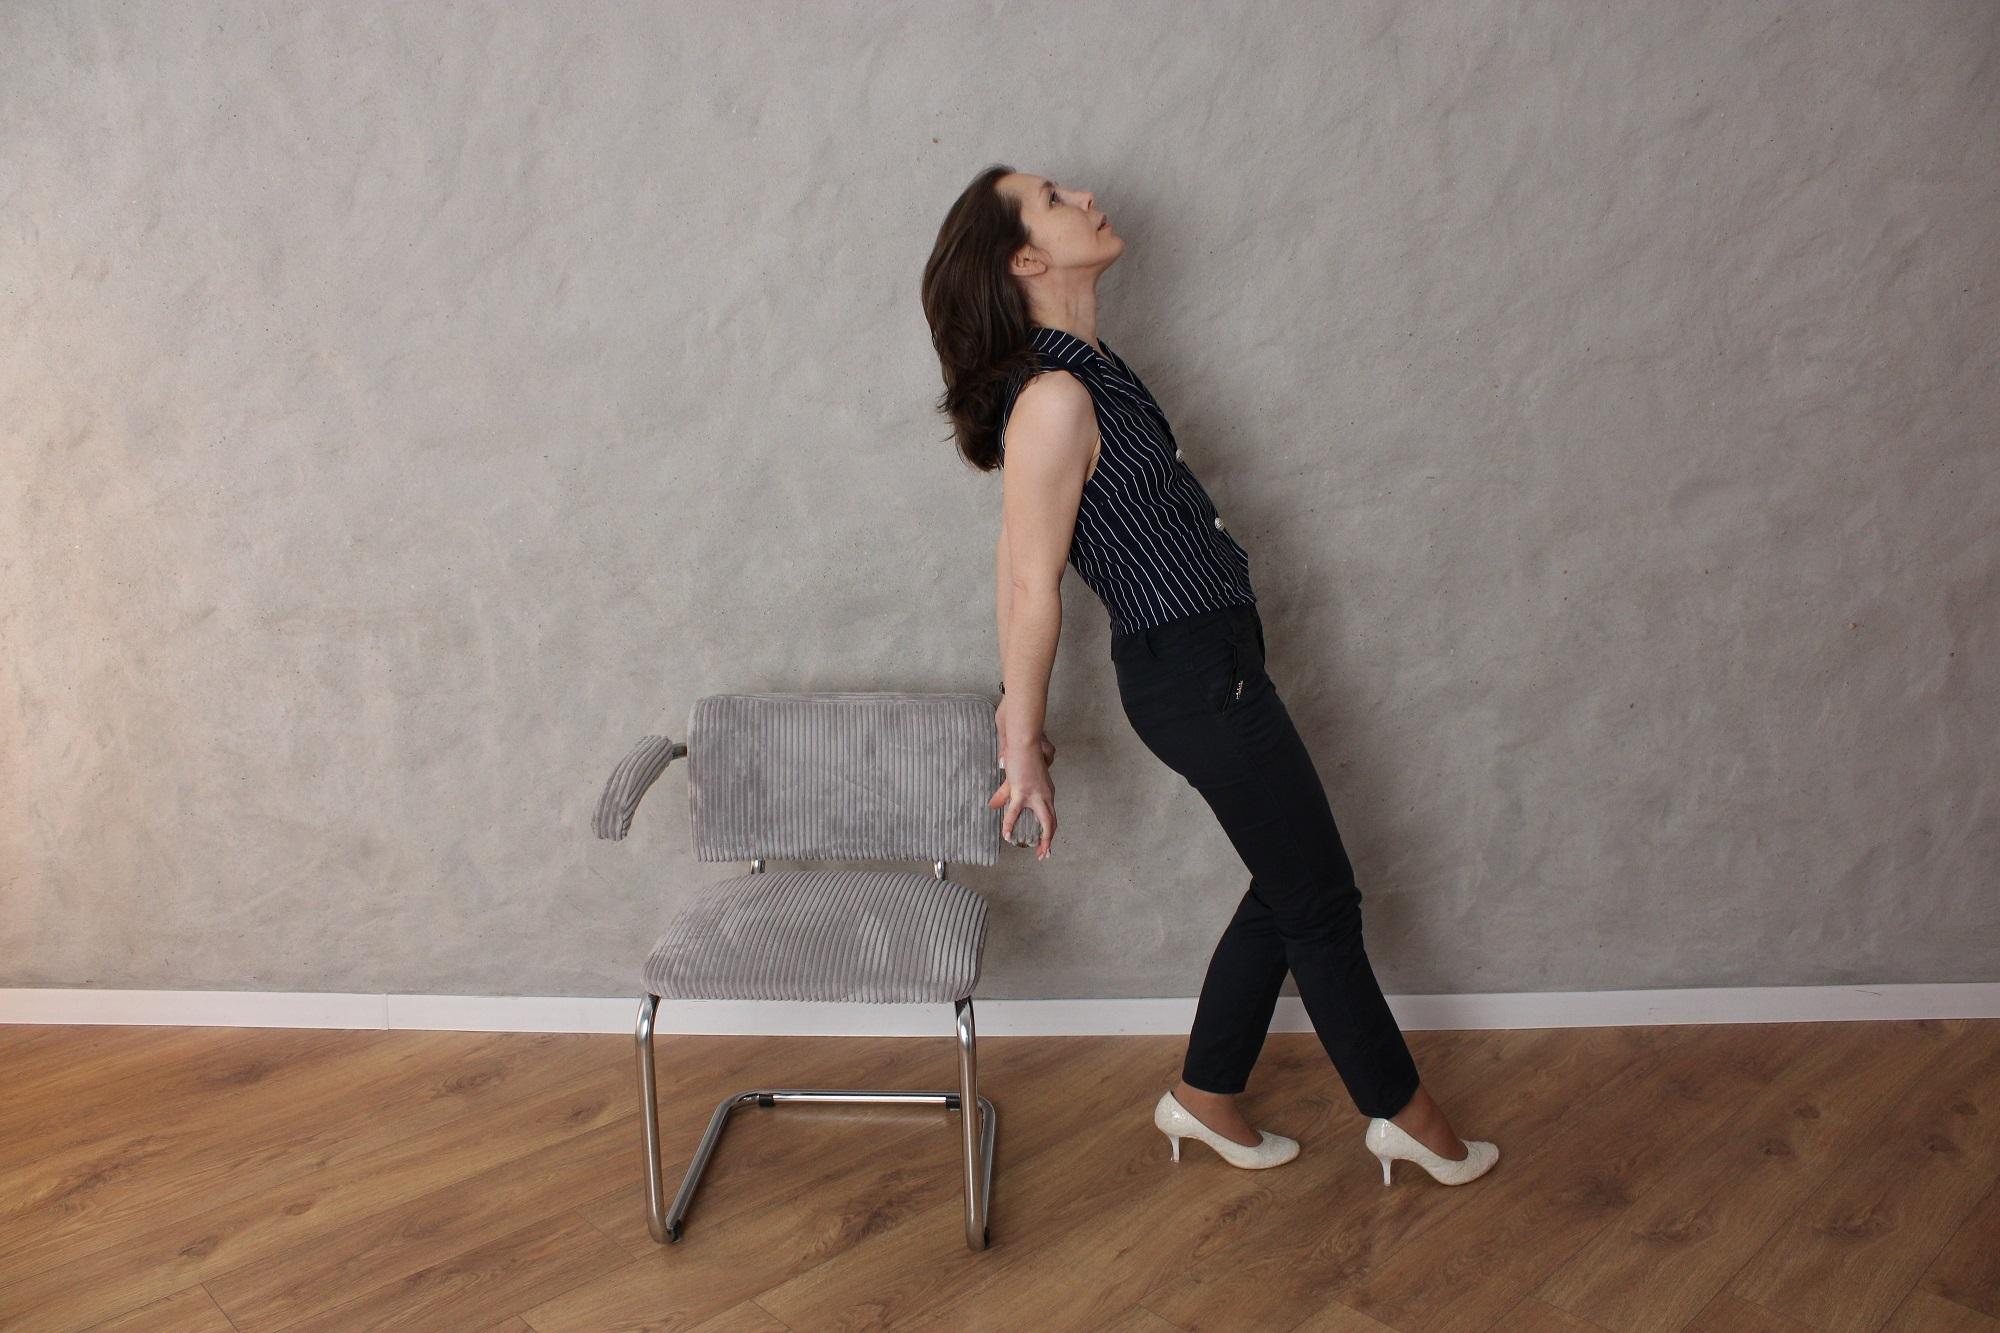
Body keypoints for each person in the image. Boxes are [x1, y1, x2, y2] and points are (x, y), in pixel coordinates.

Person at [919, 165, 1497, 1187]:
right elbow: (1028, 580)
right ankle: (1407, 1116)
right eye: (1053, 199)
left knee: (1288, 883)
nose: (1083, 196)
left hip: (1213, 662)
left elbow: (1020, 557)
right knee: (1320, 901)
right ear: (1026, 257)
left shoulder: (1090, 372)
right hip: (1189, 675)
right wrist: (1020, 738)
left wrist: (1023, 714)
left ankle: (1204, 1094)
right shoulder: (1053, 398)